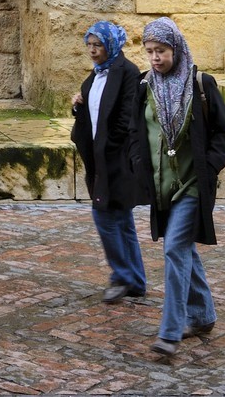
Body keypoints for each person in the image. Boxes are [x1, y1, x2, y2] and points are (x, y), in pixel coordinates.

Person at [128, 16, 225, 358]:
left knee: (175, 248)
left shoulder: (201, 84)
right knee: (183, 248)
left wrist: (210, 168)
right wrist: (138, 164)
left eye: (160, 50)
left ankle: (171, 331)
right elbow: (136, 133)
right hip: (163, 187)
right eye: (149, 52)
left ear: (175, 48)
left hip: (192, 185)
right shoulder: (145, 88)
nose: (155, 58)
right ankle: (203, 315)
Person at [69, 20, 147, 304]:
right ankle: (136, 280)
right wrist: (78, 105)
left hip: (116, 159)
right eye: (88, 45)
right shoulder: (95, 75)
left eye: (97, 45)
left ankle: (121, 276)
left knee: (104, 216)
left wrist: (112, 146)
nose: (91, 50)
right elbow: (92, 114)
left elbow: (127, 116)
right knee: (122, 219)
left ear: (111, 45)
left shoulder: (127, 72)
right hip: (99, 158)